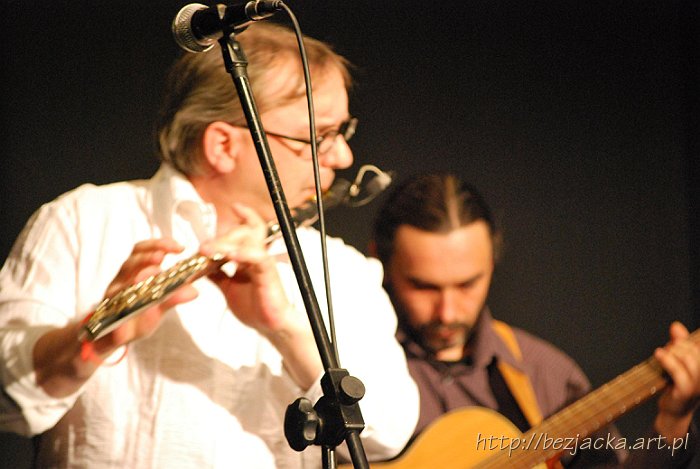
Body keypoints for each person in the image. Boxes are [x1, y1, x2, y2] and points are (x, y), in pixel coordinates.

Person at [0, 23, 419, 468]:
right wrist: (91, 339)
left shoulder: (338, 267)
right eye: (318, 137)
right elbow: (6, 404)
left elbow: (388, 434)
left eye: (342, 132)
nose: (343, 158)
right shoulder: (84, 221)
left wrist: (287, 328)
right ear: (222, 145)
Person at [371, 172, 700, 467]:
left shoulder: (548, 376)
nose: (448, 312)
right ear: (379, 263)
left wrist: (672, 424)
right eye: (423, 286)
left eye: (467, 284)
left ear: (492, 263)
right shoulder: (355, 366)